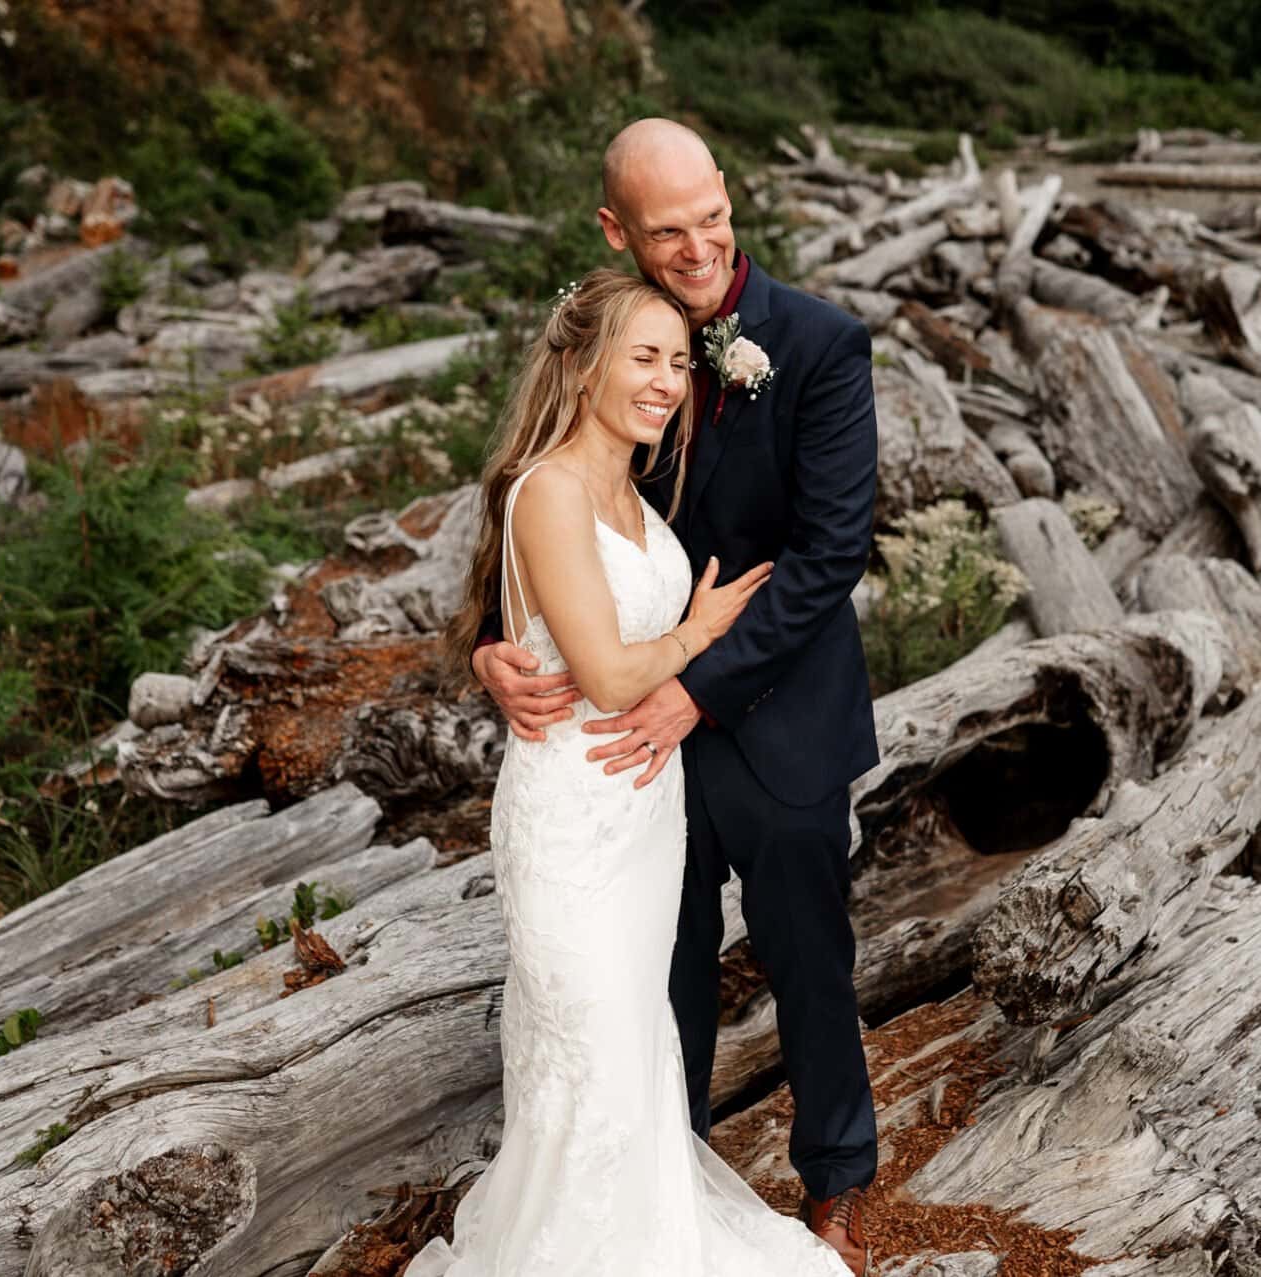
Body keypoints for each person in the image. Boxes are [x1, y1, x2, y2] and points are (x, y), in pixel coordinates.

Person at [470, 118, 880, 1274]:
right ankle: (659, 1187)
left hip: (777, 716)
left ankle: (840, 1178)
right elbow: (532, 509)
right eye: (667, 230)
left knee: (811, 959)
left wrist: (700, 682)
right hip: (629, 753)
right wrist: (490, 646)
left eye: (711, 217)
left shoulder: (820, 344)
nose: (697, 247)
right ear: (618, 231)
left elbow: (827, 555)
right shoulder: (610, 343)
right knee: (665, 966)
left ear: (729, 199)